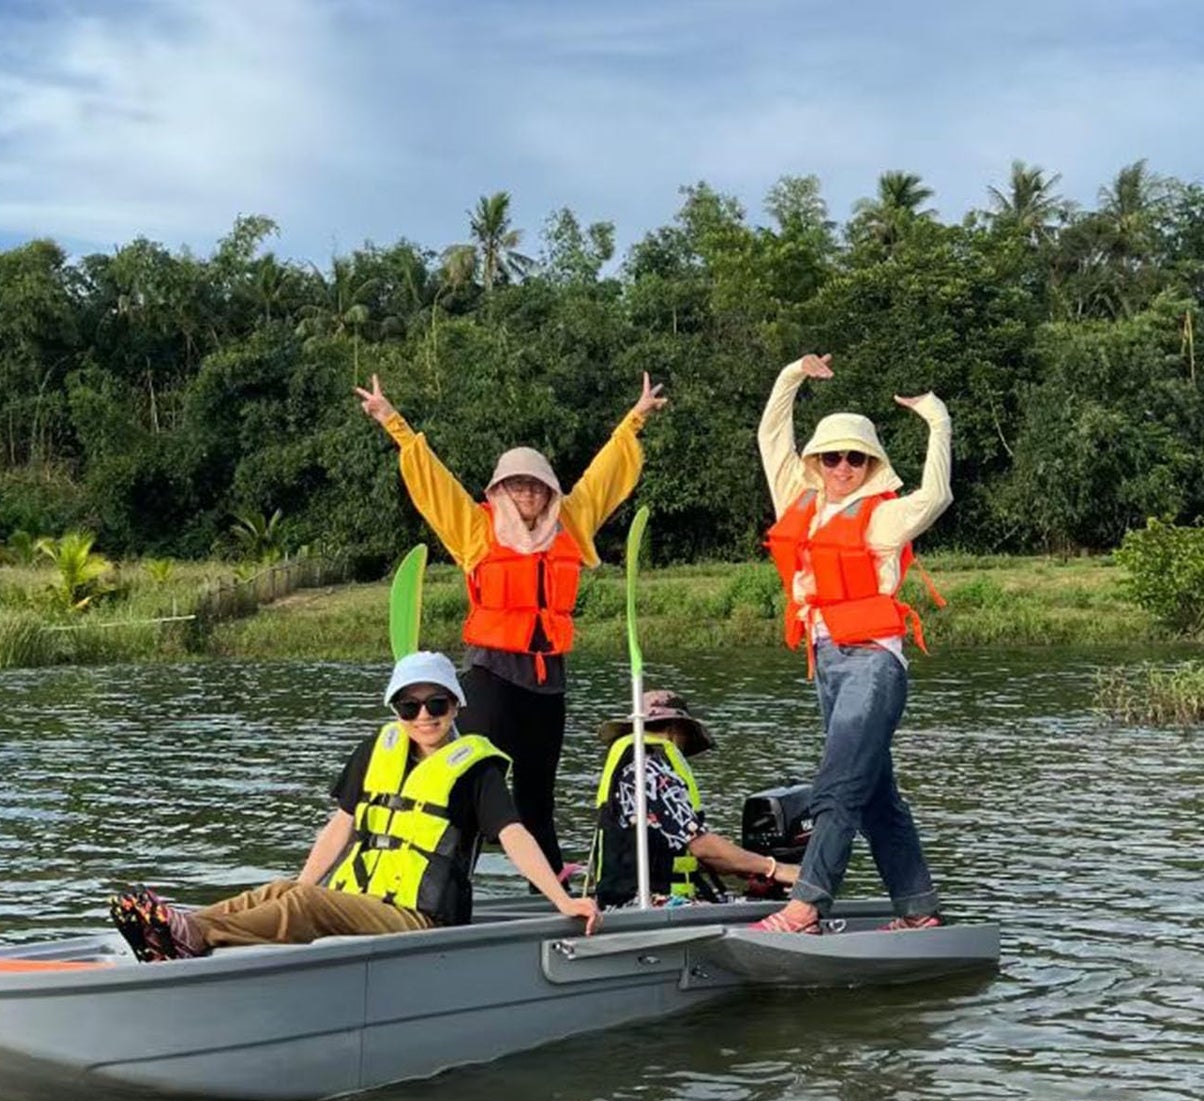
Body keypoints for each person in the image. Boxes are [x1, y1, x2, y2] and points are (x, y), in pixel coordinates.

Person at [355, 372, 668, 875]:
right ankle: (440, 875)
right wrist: (393, 422)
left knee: (538, 787)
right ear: (501, 490)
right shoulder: (476, 528)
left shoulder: (571, 521)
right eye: (516, 484)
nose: (526, 493)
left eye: (535, 485)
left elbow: (604, 476)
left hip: (547, 678)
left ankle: (546, 880)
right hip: (492, 673)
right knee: (474, 776)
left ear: (548, 493)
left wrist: (635, 420)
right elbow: (433, 484)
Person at [108, 650, 600, 960]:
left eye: (437, 705)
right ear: (396, 711)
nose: (424, 717)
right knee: (286, 890)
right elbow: (339, 828)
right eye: (410, 707)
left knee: (305, 902)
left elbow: (515, 835)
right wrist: (293, 893)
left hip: (421, 916)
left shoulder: (476, 768)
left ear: (455, 706)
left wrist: (562, 901)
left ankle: (192, 933)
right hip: (365, 899)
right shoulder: (378, 750)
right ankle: (176, 929)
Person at [753, 351, 952, 935]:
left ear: (871, 464)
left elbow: (936, 495)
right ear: (818, 460)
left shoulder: (883, 518)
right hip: (828, 664)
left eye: (855, 458)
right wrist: (791, 374)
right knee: (875, 797)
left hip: (872, 664)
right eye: (833, 456)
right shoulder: (800, 499)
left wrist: (937, 421)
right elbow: (770, 434)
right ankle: (919, 913)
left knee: (837, 785)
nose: (843, 466)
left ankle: (807, 907)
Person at [588, 689, 801, 908]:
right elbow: (700, 845)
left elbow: (683, 851)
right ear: (674, 730)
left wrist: (744, 865)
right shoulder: (650, 771)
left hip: (619, 900)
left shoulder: (631, 764)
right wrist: (775, 869)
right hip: (644, 903)